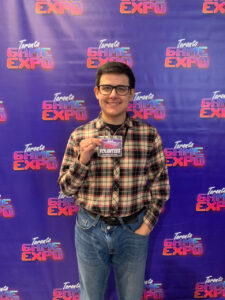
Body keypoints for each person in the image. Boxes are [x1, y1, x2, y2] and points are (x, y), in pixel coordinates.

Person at [58, 62, 170, 300]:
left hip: (133, 229)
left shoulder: (148, 135)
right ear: (96, 91)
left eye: (121, 89)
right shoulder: (79, 136)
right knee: (90, 296)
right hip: (89, 230)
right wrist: (82, 160)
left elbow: (160, 186)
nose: (113, 95)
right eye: (107, 88)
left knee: (131, 296)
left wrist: (145, 226)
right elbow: (66, 189)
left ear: (131, 93)